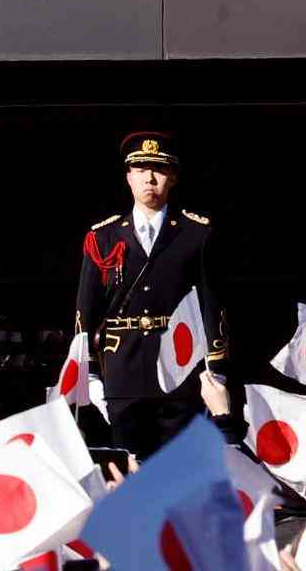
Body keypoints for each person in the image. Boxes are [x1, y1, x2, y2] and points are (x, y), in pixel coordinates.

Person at [74, 132, 228, 459]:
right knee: (127, 468)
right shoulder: (102, 237)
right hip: (121, 372)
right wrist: (87, 374)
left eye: (158, 169)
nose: (150, 177)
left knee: (176, 470)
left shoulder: (196, 234)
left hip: (180, 370)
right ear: (128, 177)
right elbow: (85, 311)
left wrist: (214, 368)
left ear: (172, 177)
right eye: (141, 169)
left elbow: (210, 306)